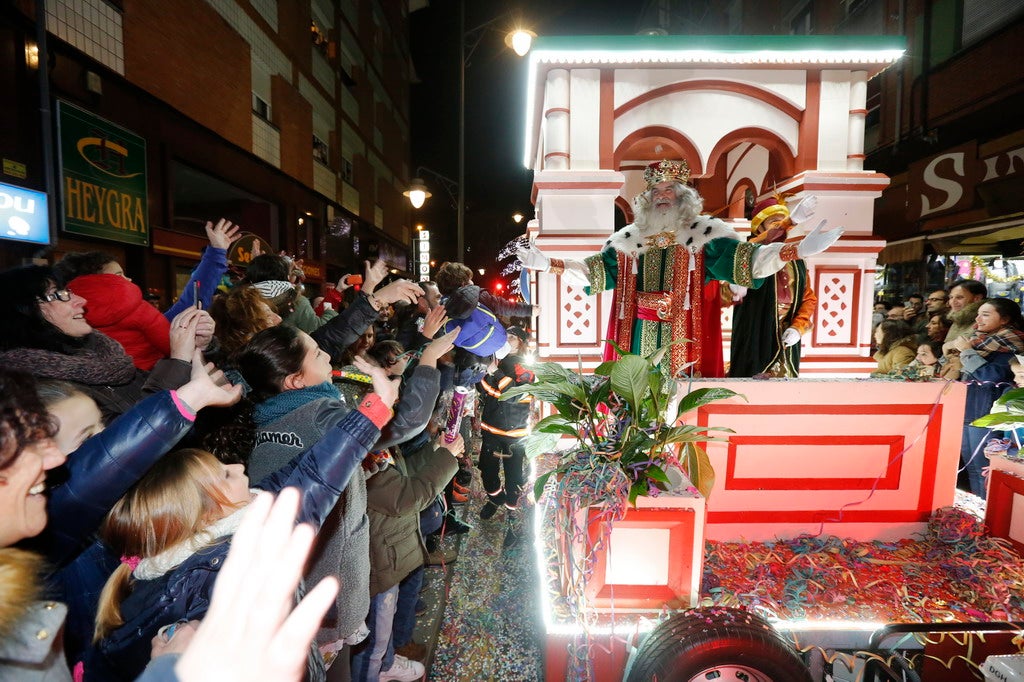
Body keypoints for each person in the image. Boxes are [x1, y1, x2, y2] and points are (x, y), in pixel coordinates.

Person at [82, 358, 397, 681]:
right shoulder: (236, 561)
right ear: (207, 514)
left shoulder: (211, 533)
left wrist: (372, 412)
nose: (239, 468)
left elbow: (310, 473)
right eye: (224, 475)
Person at [230, 325, 452, 680]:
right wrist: (427, 361)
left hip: (291, 592)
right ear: (295, 381)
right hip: (327, 592)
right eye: (317, 353)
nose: (330, 356)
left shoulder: (266, 417)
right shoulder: (320, 417)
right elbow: (408, 423)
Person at [517, 160, 843, 377]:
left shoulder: (704, 237)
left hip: (684, 344)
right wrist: (548, 264)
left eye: (669, 189)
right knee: (633, 407)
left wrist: (794, 249)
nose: (662, 196)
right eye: (655, 191)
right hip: (633, 341)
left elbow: (747, 260)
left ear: (684, 196)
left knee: (679, 415)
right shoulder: (629, 241)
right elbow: (596, 272)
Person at [0, 265, 205, 420]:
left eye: (68, 292)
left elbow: (149, 391)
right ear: (22, 311)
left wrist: (201, 347)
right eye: (57, 295)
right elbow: (128, 443)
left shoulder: (100, 353)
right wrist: (178, 360)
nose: (81, 300)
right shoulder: (37, 391)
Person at [51, 220, 239, 370]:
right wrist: (216, 255)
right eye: (119, 276)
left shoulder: (59, 327)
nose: (129, 279)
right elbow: (182, 315)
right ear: (99, 283)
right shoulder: (138, 311)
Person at [728, 195, 819, 378]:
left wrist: (798, 327)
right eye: (773, 222)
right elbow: (766, 241)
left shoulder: (797, 259)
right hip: (756, 328)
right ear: (759, 227)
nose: (780, 226)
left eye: (782, 221)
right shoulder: (749, 252)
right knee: (753, 378)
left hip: (786, 331)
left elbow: (808, 298)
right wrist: (789, 222)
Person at [952, 299, 1024, 498]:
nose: (978, 319)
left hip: (988, 411)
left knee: (984, 468)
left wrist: (966, 352)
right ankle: (978, 513)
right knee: (971, 467)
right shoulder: (981, 341)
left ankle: (987, 516)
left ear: (1005, 319)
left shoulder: (1012, 344)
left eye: (985, 314)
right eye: (978, 314)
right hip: (968, 407)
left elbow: (990, 375)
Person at [477, 326, 535, 548]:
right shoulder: (497, 360)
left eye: (511, 337)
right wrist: (483, 372)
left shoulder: (525, 366)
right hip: (491, 428)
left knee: (514, 480)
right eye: (505, 337)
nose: (507, 341)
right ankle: (495, 499)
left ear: (520, 342)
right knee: (487, 471)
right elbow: (489, 392)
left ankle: (513, 521)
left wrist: (494, 373)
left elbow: (515, 395)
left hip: (514, 434)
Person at [434, 261, 536, 386]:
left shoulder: (443, 309)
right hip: (483, 360)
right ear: (463, 282)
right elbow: (505, 306)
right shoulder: (478, 297)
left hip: (460, 363)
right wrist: (529, 310)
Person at [941, 279, 988, 379]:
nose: (953, 302)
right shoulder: (957, 319)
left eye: (959, 297)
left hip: (974, 377)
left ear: (977, 298)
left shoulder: (984, 321)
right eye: (951, 297)